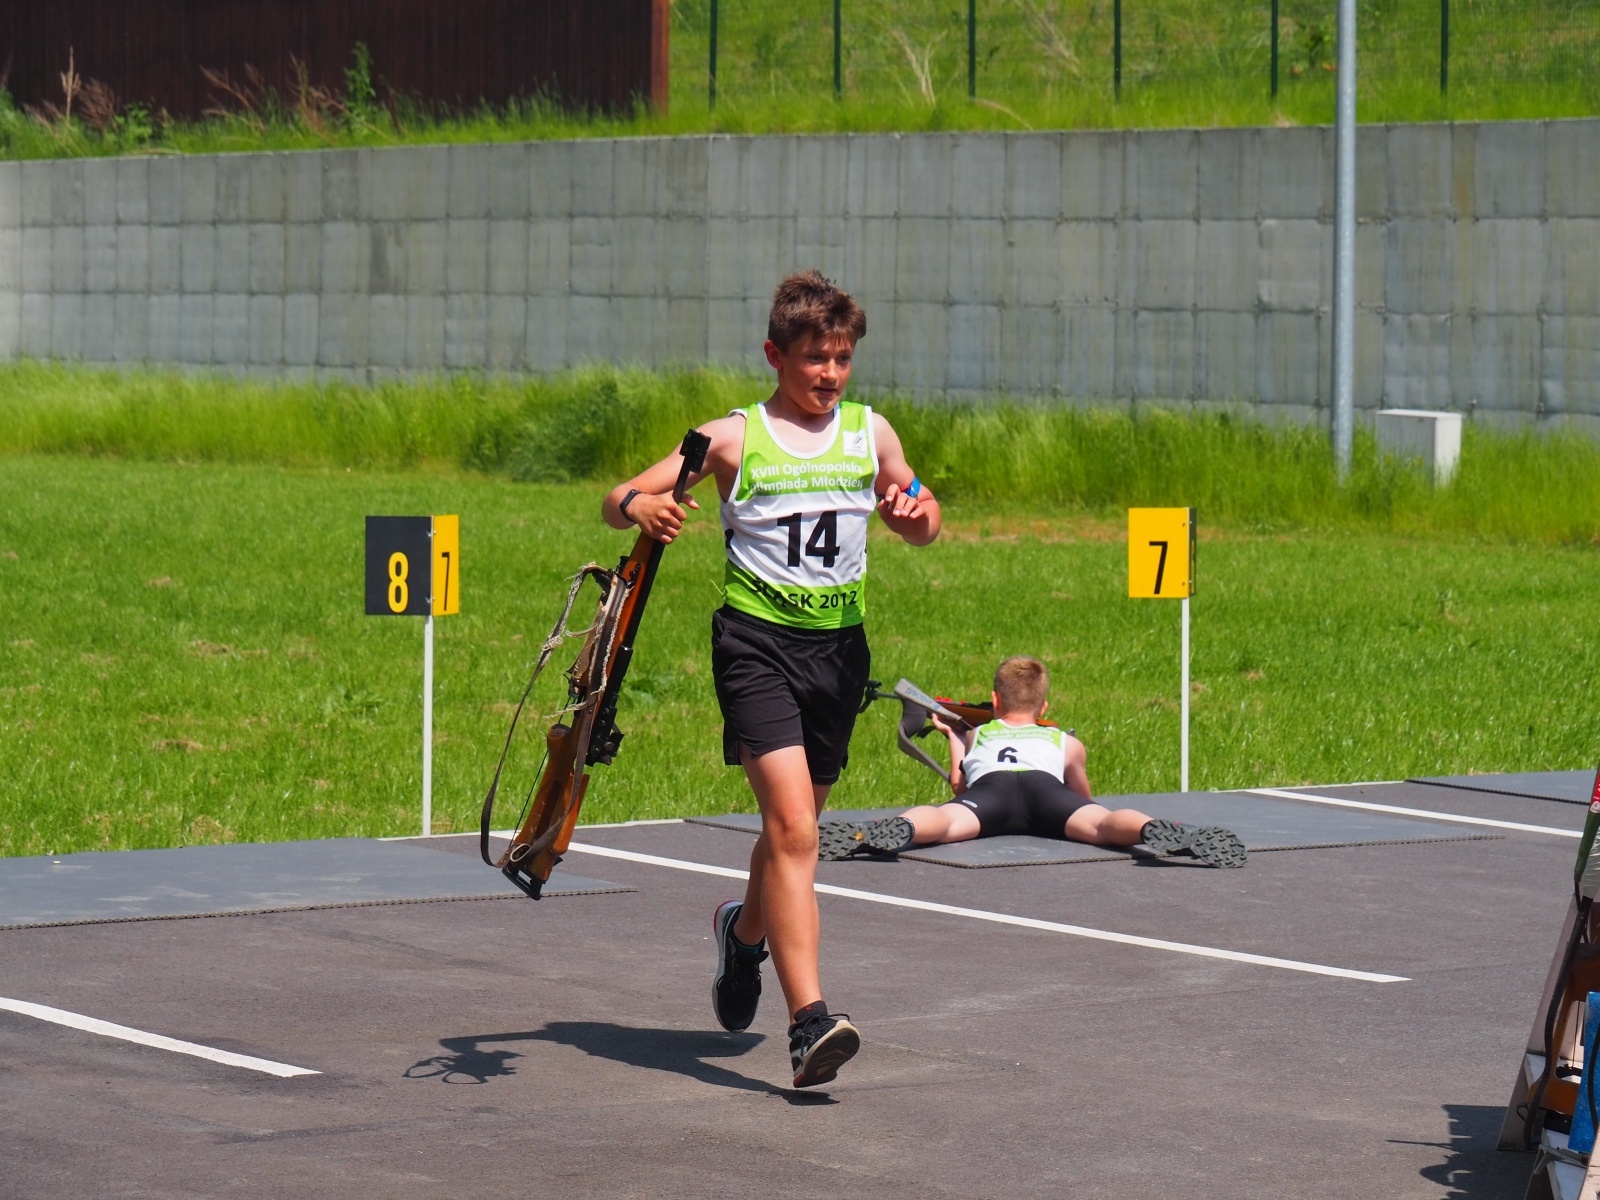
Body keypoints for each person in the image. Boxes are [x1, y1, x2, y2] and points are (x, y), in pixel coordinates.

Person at [602, 271, 941, 1088]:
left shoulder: (871, 434)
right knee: (794, 833)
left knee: (789, 838)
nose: (828, 374)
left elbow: (926, 515)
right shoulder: (730, 439)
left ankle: (741, 935)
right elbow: (619, 499)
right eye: (813, 358)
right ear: (774, 355)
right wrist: (641, 508)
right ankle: (809, 1022)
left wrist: (913, 517)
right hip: (756, 648)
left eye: (842, 358)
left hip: (838, 655)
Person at [820, 656, 1247, 869]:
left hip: (991, 795)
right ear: (1045, 706)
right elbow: (1083, 798)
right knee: (1104, 824)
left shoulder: (980, 732)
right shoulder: (1064, 741)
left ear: (993, 701)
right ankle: (1156, 830)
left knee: (944, 822)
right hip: (1049, 795)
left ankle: (890, 830)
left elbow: (959, 788)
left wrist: (954, 736)